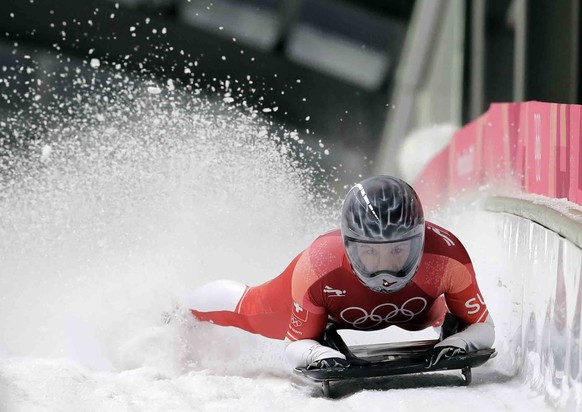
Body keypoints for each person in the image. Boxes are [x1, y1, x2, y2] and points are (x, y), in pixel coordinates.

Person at [186, 175, 495, 370]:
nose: (384, 270)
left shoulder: (447, 256)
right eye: (370, 252)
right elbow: (295, 345)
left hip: (419, 310)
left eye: (398, 251)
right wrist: (314, 354)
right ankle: (182, 309)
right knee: (253, 308)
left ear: (420, 240)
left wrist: (461, 341)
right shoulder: (319, 265)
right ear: (349, 245)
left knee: (429, 316)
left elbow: (483, 327)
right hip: (330, 308)